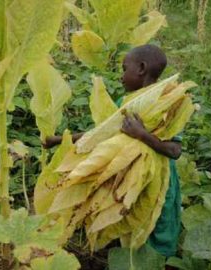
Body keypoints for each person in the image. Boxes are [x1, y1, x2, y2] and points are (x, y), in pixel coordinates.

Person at [43, 44, 182, 258]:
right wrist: (58, 140)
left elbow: (174, 150)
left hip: (158, 176)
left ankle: (162, 260)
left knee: (159, 219)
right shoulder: (123, 104)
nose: (121, 76)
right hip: (125, 174)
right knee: (125, 213)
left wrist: (142, 135)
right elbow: (99, 133)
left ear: (142, 68)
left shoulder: (165, 102)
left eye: (125, 69)